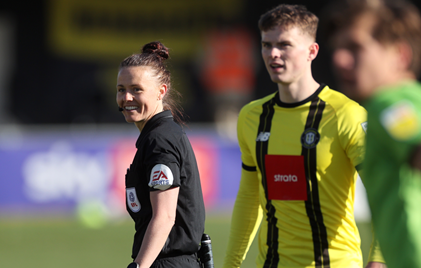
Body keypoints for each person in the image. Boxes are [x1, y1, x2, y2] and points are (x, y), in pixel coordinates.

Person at [222, 4, 383, 268]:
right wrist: (231, 264)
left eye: (284, 45)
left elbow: (383, 195)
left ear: (312, 51)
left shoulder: (346, 115)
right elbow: (249, 198)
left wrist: (378, 260)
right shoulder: (252, 117)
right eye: (266, 44)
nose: (273, 54)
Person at [322, 0, 421, 267]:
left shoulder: (389, 106)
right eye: (338, 48)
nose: (339, 59)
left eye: (355, 47)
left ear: (400, 55)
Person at [116, 41, 206, 268]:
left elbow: (165, 217)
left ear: (161, 91)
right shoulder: (158, 135)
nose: (126, 98)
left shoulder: (160, 140)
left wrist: (139, 266)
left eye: (136, 89)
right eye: (121, 89)